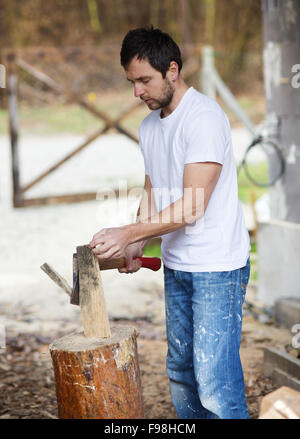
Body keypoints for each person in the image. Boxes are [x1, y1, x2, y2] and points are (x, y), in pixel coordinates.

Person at [89, 27, 251, 419]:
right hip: (178, 264)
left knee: (215, 382)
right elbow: (154, 192)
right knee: (181, 371)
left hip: (217, 266)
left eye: (144, 80)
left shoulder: (204, 119)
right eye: (132, 82)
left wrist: (126, 232)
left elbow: (192, 206)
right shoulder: (149, 127)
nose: (137, 92)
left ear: (172, 71)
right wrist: (136, 244)